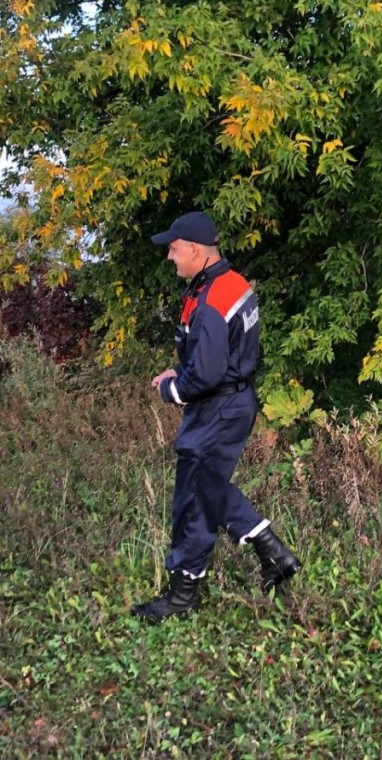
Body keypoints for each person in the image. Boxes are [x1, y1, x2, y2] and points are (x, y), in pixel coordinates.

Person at [133, 211, 301, 621]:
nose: (169, 257)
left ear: (193, 249)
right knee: (205, 488)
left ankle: (183, 595)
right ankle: (272, 554)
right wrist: (183, 368)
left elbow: (207, 373)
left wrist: (173, 389)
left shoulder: (210, 300)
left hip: (217, 408)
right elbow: (216, 355)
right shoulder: (228, 283)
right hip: (231, 401)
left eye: (173, 249)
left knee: (194, 497)